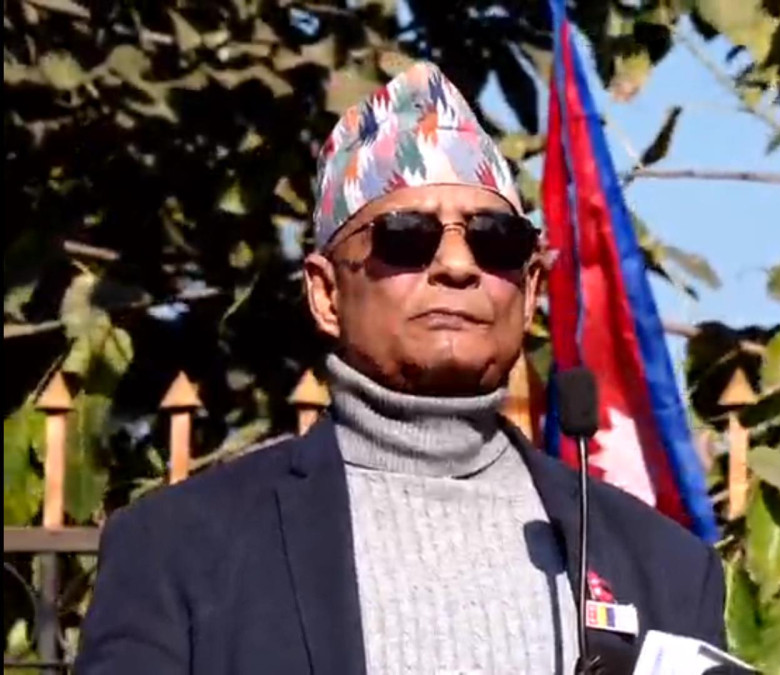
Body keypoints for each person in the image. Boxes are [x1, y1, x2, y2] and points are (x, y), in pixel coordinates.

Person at [76, 61, 725, 675]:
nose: (457, 265)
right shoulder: (179, 549)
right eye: (407, 236)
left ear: (530, 291)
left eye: (494, 240)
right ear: (326, 294)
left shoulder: (661, 567)